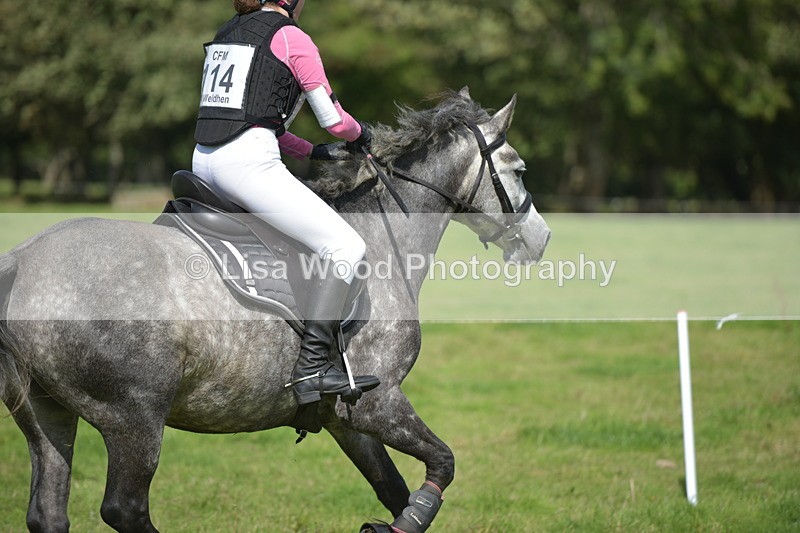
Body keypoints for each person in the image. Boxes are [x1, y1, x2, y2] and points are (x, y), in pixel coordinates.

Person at [191, 0, 379, 407]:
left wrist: (311, 152)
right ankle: (311, 369)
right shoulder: (292, 37)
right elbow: (333, 118)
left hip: (202, 160)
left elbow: (254, 118)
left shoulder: (229, 32)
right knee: (346, 248)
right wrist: (360, 134)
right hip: (246, 164)